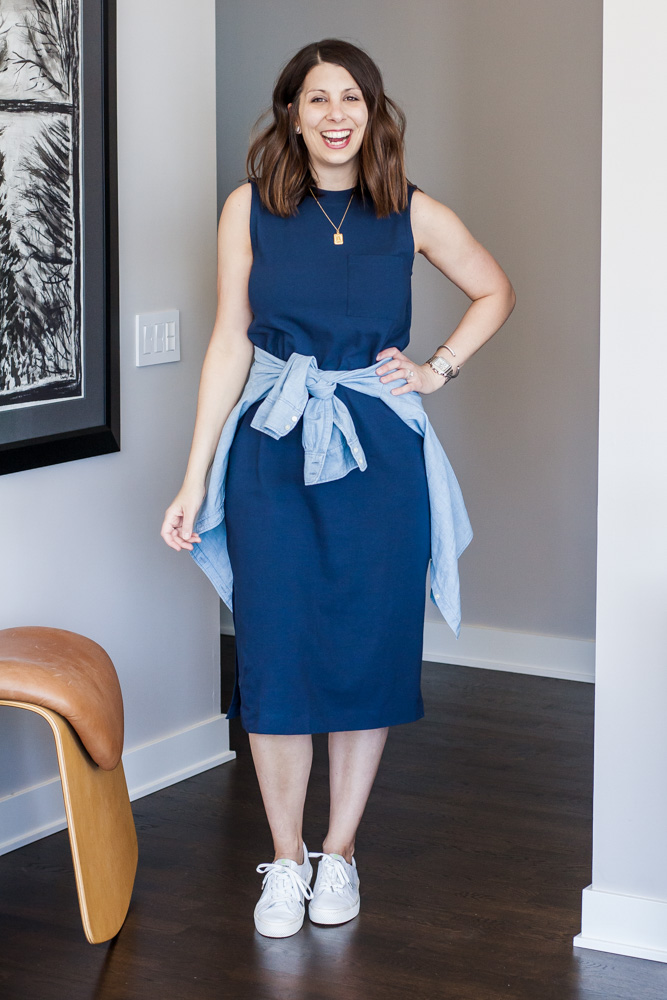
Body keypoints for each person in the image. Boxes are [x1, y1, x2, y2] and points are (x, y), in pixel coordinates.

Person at [160, 38, 515, 939]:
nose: (333, 115)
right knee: (275, 656)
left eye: (349, 98)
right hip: (271, 449)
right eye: (315, 99)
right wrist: (195, 475)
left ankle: (340, 854)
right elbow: (229, 344)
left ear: (373, 111)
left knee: (366, 653)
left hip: (378, 456)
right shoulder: (248, 209)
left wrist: (437, 369)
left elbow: (492, 290)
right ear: (290, 112)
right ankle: (284, 860)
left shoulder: (410, 210)